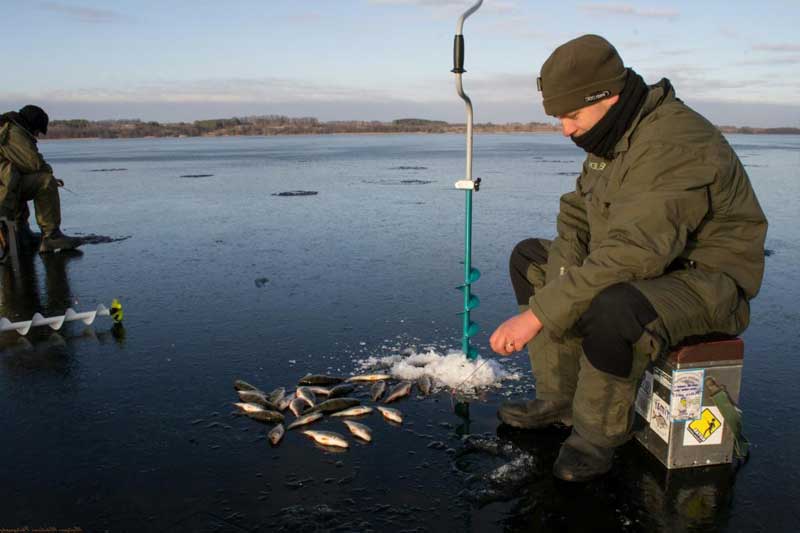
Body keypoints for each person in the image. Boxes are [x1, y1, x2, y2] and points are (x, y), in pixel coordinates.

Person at [489, 35, 767, 482]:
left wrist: (538, 315)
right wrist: (558, 282)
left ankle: (595, 436)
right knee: (532, 260)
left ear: (607, 97)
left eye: (571, 115)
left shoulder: (672, 143)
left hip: (705, 282)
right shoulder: (613, 135)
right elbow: (576, 216)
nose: (565, 129)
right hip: (647, 264)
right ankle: (560, 399)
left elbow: (632, 254)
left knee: (615, 305)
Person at [0, 105, 81, 253]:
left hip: (5, 183)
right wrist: (51, 176)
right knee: (45, 181)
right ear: (32, 124)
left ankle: (21, 232)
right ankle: (52, 237)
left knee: (17, 177)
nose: (37, 135)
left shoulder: (7, 127)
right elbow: (33, 163)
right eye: (37, 131)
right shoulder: (13, 132)